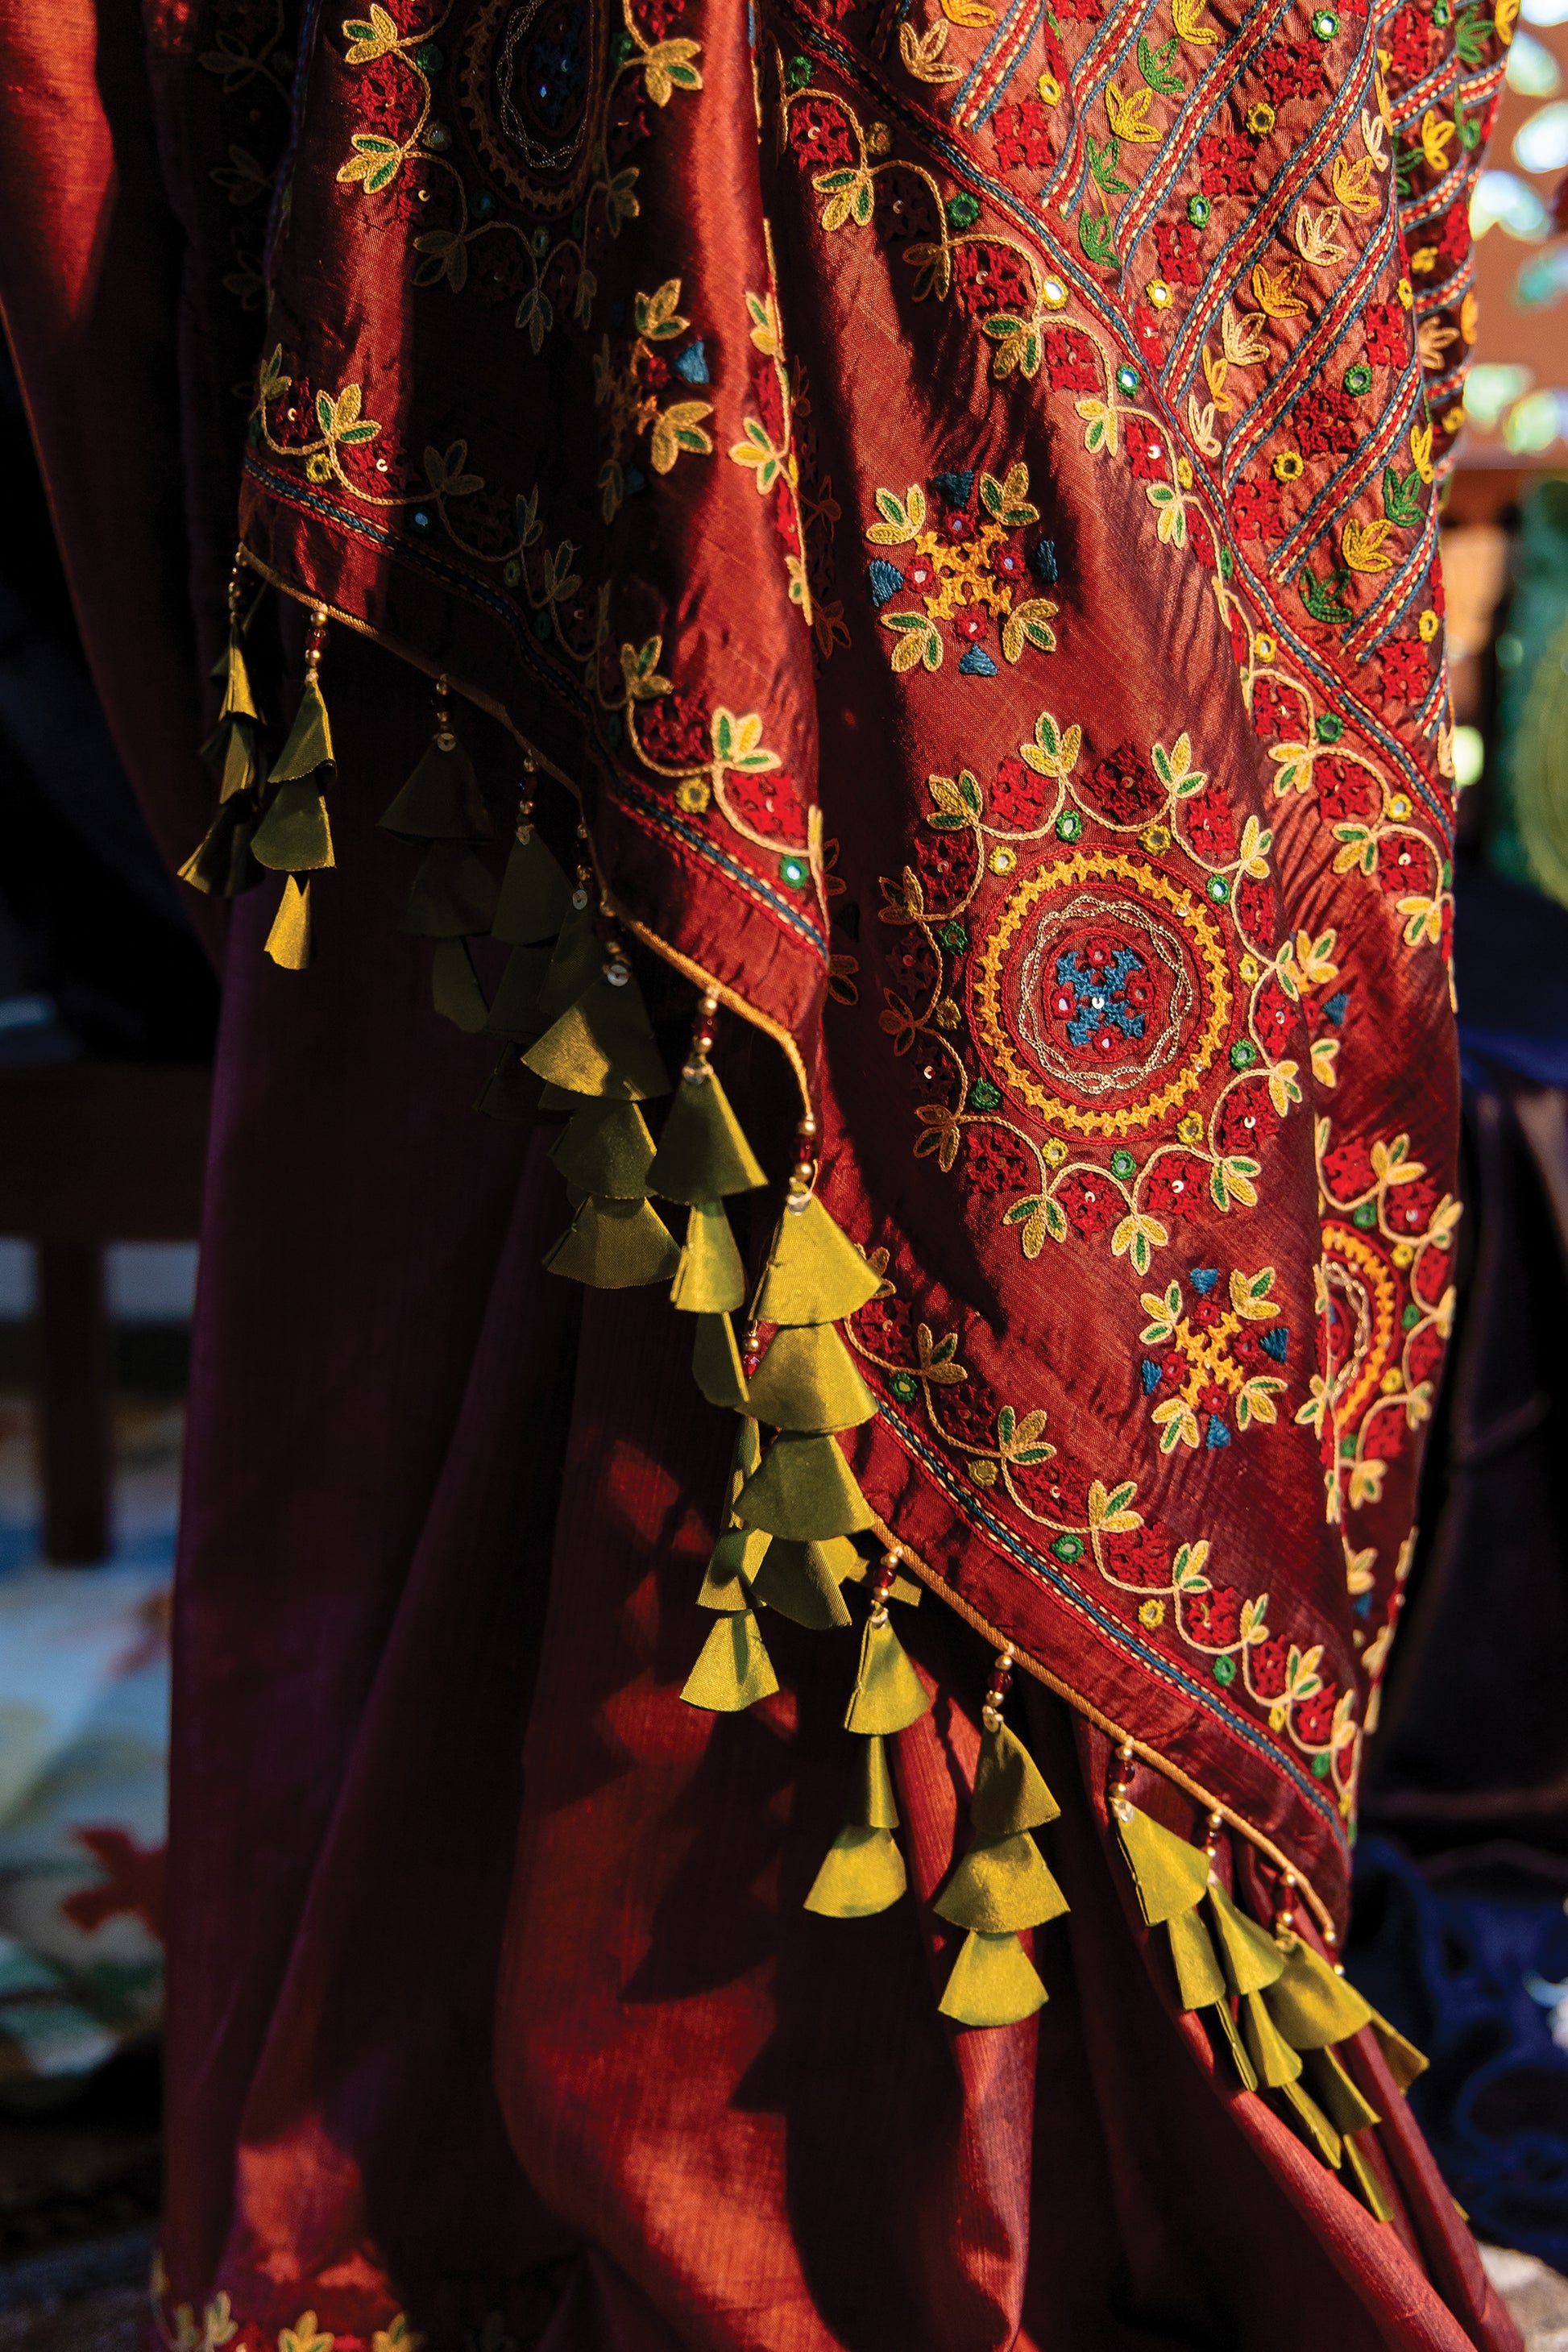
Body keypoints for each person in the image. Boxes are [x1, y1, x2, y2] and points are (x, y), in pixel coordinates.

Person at [0, 0, 1524, 2340]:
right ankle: (742, 2164)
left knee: (1000, 1172)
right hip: (630, 226)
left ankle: (981, 2162)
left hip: (1034, 187)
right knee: (603, 1184)